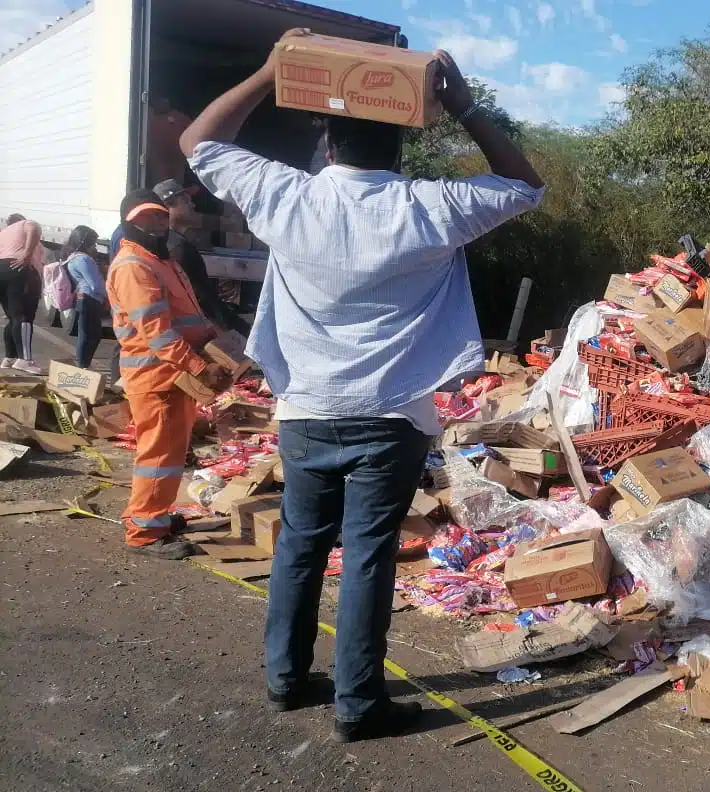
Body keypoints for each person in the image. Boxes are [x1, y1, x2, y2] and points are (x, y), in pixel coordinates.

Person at [180, 30, 544, 742]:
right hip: (393, 416)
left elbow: (199, 140)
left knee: (299, 546)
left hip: (305, 410)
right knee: (369, 552)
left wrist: (268, 68)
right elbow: (524, 184)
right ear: (400, 146)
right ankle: (358, 703)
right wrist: (465, 107)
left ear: (326, 143)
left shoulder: (284, 194)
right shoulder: (429, 208)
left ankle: (286, 680)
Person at [107, 189, 229, 560]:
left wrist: (213, 341)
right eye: (145, 218)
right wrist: (199, 367)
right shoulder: (134, 266)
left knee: (170, 454)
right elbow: (156, 333)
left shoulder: (161, 261)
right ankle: (144, 531)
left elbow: (185, 315)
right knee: (158, 456)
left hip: (172, 376)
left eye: (159, 216)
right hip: (158, 377)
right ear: (129, 223)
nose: (155, 223)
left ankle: (155, 516)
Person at [153, 179, 251, 336]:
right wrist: (238, 330)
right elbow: (202, 299)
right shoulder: (178, 249)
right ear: (167, 207)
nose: (193, 205)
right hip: (192, 335)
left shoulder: (168, 243)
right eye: (185, 201)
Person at [0, 213, 46, 374]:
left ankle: (10, 357)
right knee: (24, 317)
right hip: (20, 269)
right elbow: (33, 227)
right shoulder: (25, 224)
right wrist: (26, 254)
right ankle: (25, 360)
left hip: (3, 268)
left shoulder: (3, 234)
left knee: (13, 317)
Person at [60, 226, 107, 368]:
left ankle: (83, 364)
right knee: (91, 335)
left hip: (83, 298)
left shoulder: (72, 257)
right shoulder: (84, 259)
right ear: (84, 243)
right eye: (93, 243)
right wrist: (107, 295)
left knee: (86, 334)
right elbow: (95, 284)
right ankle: (83, 365)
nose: (95, 247)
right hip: (90, 299)